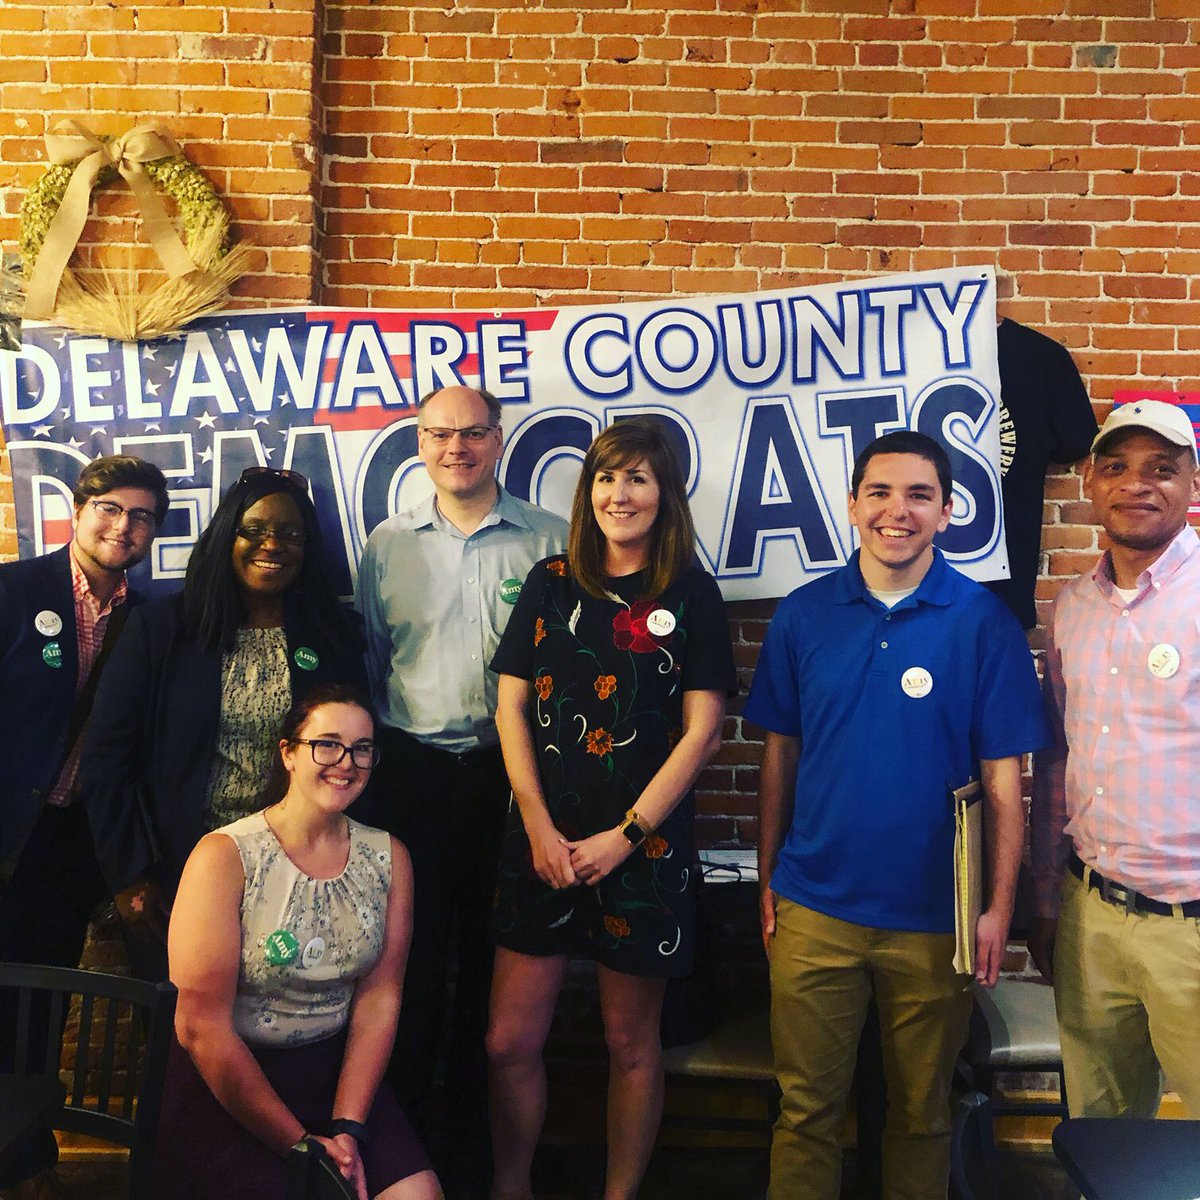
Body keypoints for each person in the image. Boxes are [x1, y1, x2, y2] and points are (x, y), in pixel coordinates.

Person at [745, 430, 1049, 1200]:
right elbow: (779, 755)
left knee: (921, 1115)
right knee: (804, 1114)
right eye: (879, 492)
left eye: (919, 495)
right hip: (814, 908)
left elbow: (1004, 779)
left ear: (946, 511)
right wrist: (768, 878)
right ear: (852, 505)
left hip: (936, 920)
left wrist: (998, 906)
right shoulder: (804, 614)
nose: (897, 510)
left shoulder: (982, 622)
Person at [486, 417, 736, 1200]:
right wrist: (535, 823)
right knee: (507, 1042)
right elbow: (509, 709)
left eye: (636, 478)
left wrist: (625, 836)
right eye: (605, 477)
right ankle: (511, 1186)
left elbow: (704, 732)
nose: (618, 494)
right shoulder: (550, 581)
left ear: (664, 494)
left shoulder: (692, 592)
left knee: (630, 1046)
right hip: (540, 844)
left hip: (643, 853)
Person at [356, 384, 567, 1178]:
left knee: (495, 967)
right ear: (419, 444)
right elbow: (377, 657)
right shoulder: (388, 545)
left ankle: (479, 1158)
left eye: (472, 432)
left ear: (498, 439)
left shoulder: (550, 540)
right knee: (406, 963)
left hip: (513, 782)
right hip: (412, 776)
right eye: (439, 434)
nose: (457, 448)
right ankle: (404, 1154)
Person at [153, 685, 441, 1200]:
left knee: (419, 1195)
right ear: (287, 753)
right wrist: (303, 1148)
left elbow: (380, 996)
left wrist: (348, 1128)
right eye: (327, 744)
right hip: (231, 1081)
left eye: (361, 749)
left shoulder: (389, 856)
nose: (346, 762)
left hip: (334, 1075)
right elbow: (200, 1027)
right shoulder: (223, 857)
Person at [81, 466, 366, 980]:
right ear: (225, 537)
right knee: (185, 1020)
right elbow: (106, 760)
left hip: (300, 873)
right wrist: (129, 875)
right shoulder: (161, 629)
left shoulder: (333, 636)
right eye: (253, 530)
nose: (272, 545)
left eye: (290, 533)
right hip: (177, 876)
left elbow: (352, 755)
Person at [0, 453, 169, 1195]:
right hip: (8, 824)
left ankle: (27, 1160)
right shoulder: (14, 590)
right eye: (110, 508)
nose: (123, 527)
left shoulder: (152, 613)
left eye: (141, 517)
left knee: (41, 1003)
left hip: (72, 843)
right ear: (78, 509)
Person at [1030, 399, 1200, 1120]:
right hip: (1090, 918)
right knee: (1101, 1134)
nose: (1137, 484)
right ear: (1091, 485)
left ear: (1191, 483)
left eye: (1162, 468)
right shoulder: (1073, 607)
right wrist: (1046, 896)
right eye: (1117, 467)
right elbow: (1057, 759)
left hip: (1190, 928)